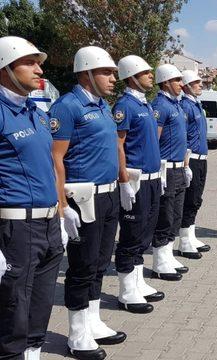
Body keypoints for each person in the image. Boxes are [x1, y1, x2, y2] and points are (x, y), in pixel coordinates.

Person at [50, 46, 125, 359]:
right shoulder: (67, 107)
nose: (112, 79)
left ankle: (93, 321)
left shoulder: (103, 105)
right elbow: (55, 157)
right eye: (106, 72)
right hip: (83, 197)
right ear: (86, 73)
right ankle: (77, 332)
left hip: (108, 195)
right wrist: (62, 207)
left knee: (99, 262)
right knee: (81, 266)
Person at [0, 36, 64, 360]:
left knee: (39, 309)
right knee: (14, 317)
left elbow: (49, 164)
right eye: (30, 62)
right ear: (5, 67)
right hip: (17, 229)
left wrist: (60, 211)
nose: (39, 68)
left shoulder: (36, 112)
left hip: (48, 224)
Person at [112, 55, 165, 314]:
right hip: (136, 179)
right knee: (132, 235)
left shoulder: (143, 104)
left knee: (145, 232)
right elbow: (118, 144)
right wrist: (123, 180)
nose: (150, 77)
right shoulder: (125, 105)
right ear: (132, 76)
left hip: (153, 178)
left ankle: (138, 281)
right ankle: (125, 290)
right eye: (146, 73)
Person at [151, 64, 191, 280]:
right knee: (164, 216)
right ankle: (159, 260)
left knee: (176, 214)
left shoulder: (176, 105)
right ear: (166, 82)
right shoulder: (160, 105)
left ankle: (168, 254)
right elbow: (154, 140)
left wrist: (185, 166)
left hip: (178, 167)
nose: (181, 84)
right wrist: (158, 170)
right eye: (177, 80)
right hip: (166, 168)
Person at [176, 70, 211, 258]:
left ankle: (191, 234)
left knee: (196, 199)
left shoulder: (196, 105)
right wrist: (185, 164)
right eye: (196, 82)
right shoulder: (185, 106)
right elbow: (183, 138)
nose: (200, 85)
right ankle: (184, 241)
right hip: (192, 159)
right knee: (190, 200)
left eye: (200, 82)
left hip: (201, 158)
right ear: (186, 86)